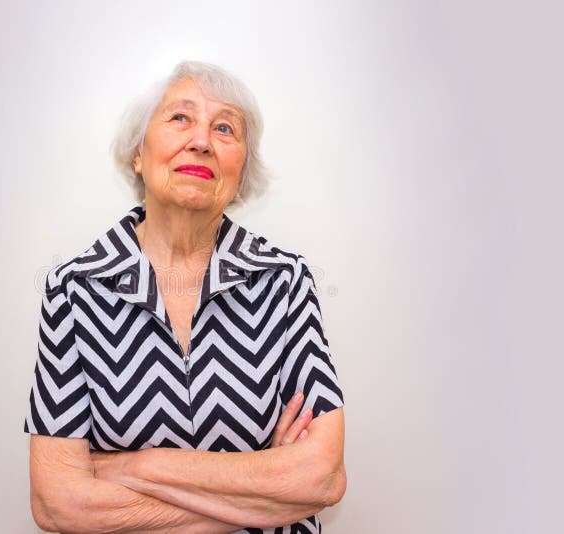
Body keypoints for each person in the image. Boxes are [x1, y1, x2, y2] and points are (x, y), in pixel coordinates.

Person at [23, 60, 346, 533]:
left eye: (224, 128)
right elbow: (58, 504)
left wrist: (138, 468)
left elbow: (321, 478)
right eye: (180, 118)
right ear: (138, 152)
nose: (201, 141)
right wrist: (265, 489)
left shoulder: (285, 280)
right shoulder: (74, 291)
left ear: (241, 172)